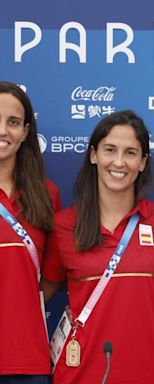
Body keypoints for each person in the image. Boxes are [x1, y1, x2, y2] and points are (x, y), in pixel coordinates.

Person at [40, 110, 154, 384]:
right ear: (93, 155)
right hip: (79, 374)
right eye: (110, 150)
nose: (119, 162)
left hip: (147, 375)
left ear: (142, 162)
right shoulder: (64, 226)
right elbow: (37, 298)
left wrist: (144, 287)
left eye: (130, 153)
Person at [0, 81, 60, 384]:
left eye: (12, 122)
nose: (3, 131)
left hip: (27, 359)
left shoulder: (46, 196)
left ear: (25, 131)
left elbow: (50, 277)